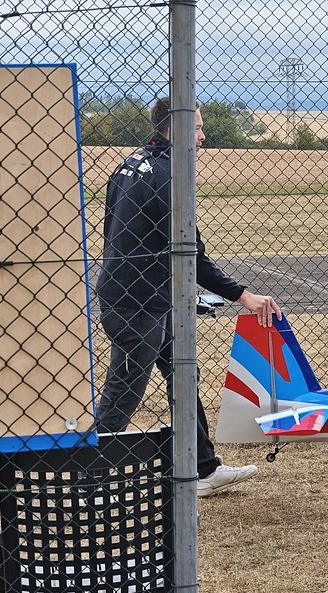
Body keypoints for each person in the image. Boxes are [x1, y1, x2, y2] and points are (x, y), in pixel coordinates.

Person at [95, 97, 281, 498]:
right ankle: (87, 478)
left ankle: (202, 469)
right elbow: (190, 253)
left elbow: (116, 230)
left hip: (149, 297)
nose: (202, 136)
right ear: (173, 128)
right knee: (123, 394)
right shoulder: (168, 177)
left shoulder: (130, 164)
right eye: (196, 127)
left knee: (183, 375)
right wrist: (243, 296)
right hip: (136, 304)